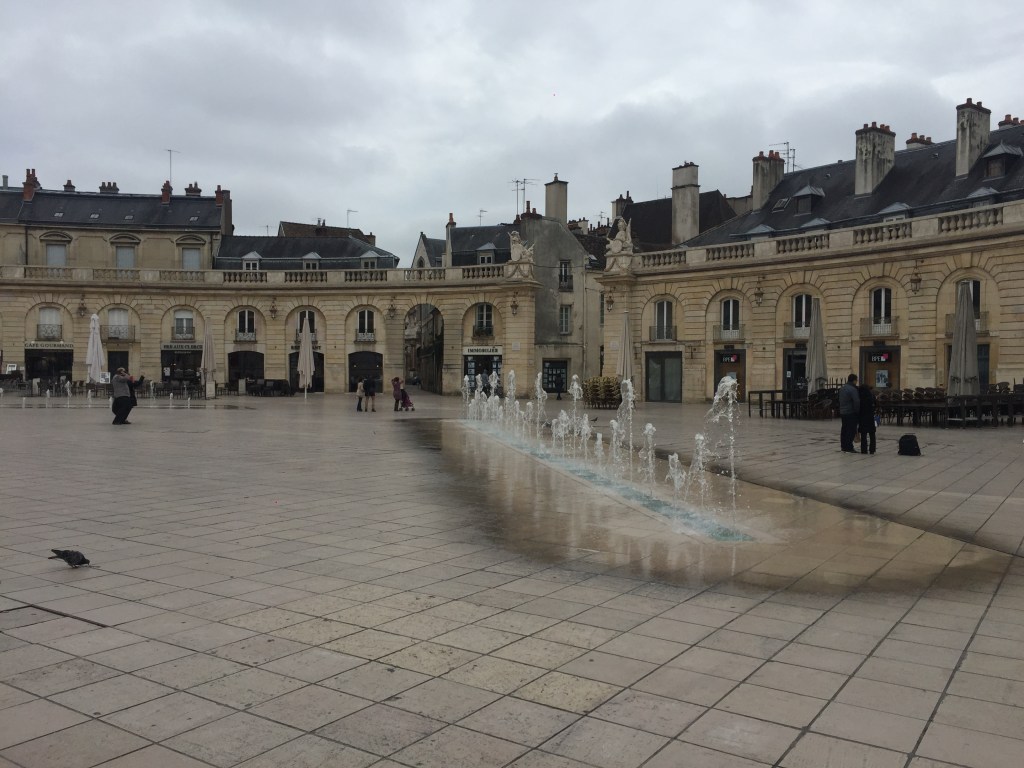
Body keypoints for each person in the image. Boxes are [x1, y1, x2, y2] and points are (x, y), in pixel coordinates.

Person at [838, 373, 861, 452]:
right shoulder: (853, 389)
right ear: (854, 380)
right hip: (851, 412)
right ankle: (849, 447)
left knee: (844, 429)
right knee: (851, 430)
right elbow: (856, 401)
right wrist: (857, 411)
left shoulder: (842, 388)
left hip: (843, 412)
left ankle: (843, 446)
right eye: (856, 380)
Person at [858, 382, 877, 455]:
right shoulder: (871, 395)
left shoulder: (860, 397)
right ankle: (872, 449)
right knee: (872, 434)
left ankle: (864, 449)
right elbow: (876, 404)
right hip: (871, 417)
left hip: (862, 417)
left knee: (863, 435)